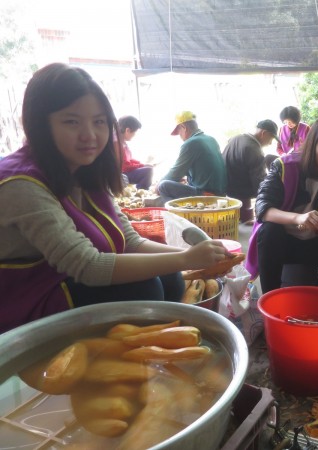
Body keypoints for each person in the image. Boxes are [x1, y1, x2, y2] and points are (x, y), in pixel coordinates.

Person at [0, 63, 231, 334]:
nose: (90, 135)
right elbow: (87, 265)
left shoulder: (86, 171)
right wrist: (187, 259)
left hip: (67, 285)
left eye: (99, 122)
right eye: (71, 121)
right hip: (27, 303)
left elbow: (130, 241)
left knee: (169, 277)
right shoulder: (20, 183)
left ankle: (154, 354)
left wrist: (196, 256)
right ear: (40, 124)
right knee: (144, 288)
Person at [246, 115, 318, 293]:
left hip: (315, 243)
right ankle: (271, 297)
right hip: (283, 243)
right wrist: (299, 218)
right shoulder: (284, 166)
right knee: (269, 231)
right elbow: (262, 208)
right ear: (313, 141)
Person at [157, 111, 227, 203]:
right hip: (221, 193)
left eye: (179, 132)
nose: (180, 136)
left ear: (183, 127)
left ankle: (177, 215)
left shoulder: (191, 143)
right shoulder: (211, 139)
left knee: (163, 186)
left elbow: (174, 174)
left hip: (209, 195)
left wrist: (156, 186)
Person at [222, 119, 280, 224]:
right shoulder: (254, 149)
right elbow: (260, 183)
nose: (270, 143)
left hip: (226, 188)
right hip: (240, 192)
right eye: (271, 138)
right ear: (264, 133)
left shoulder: (236, 138)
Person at [117, 115, 154, 190]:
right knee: (148, 171)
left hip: (125, 171)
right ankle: (141, 191)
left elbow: (129, 160)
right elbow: (124, 167)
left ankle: (141, 190)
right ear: (127, 130)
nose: (134, 135)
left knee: (148, 168)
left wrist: (143, 164)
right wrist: (140, 166)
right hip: (121, 175)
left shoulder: (122, 142)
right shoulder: (117, 143)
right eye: (135, 132)